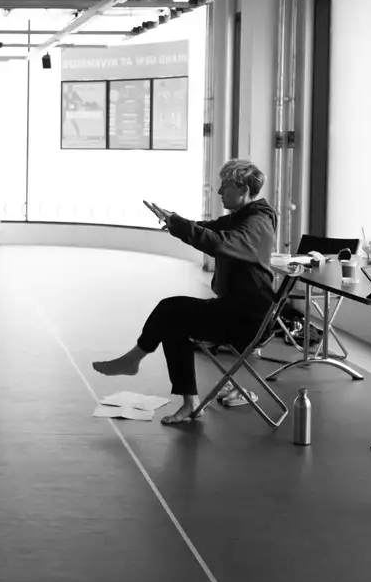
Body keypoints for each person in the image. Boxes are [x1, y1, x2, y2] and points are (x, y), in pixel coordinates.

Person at [92, 159, 279, 425]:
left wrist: (180, 225)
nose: (219, 192)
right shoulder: (242, 217)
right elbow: (210, 229)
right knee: (173, 320)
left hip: (248, 319)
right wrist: (174, 221)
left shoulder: (256, 223)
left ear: (242, 188)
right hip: (235, 309)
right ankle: (189, 403)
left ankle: (136, 362)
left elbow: (220, 243)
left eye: (225, 186)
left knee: (171, 310)